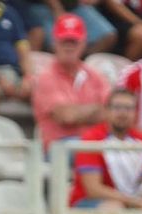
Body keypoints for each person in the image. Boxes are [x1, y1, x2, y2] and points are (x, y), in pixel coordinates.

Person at [32, 14, 111, 149]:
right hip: (59, 147)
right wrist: (97, 108)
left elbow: (111, 113)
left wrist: (77, 112)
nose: (69, 47)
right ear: (54, 43)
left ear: (83, 44)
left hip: (94, 142)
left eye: (74, 41)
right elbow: (67, 116)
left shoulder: (94, 75)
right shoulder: (46, 77)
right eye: (64, 41)